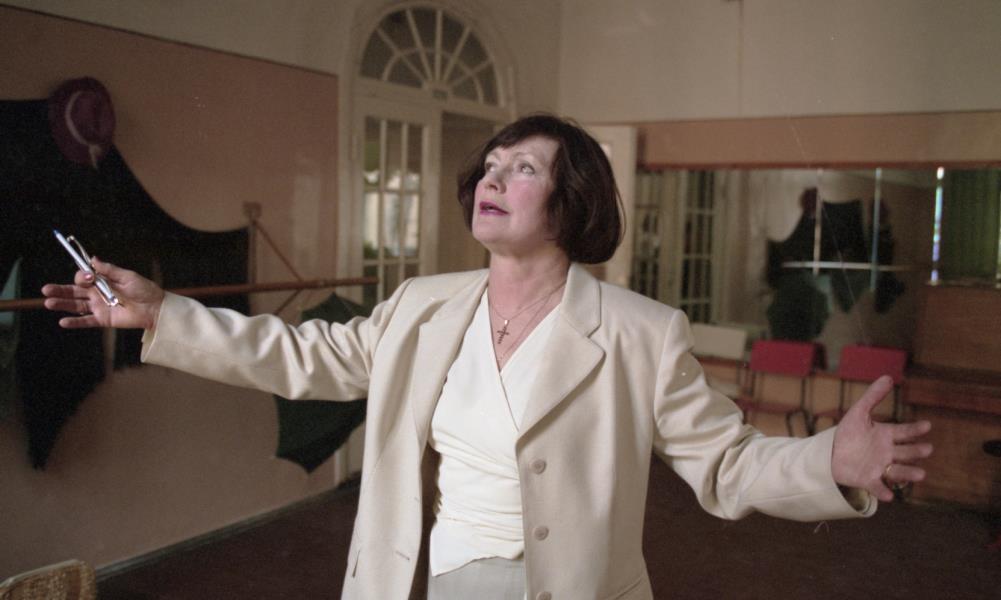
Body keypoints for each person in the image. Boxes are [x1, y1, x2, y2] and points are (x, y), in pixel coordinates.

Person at [42, 115, 932, 600]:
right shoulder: (422, 307)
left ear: (572, 202)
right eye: (491, 165)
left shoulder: (640, 331)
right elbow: (298, 356)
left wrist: (829, 461)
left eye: (523, 169)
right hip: (444, 579)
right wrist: (163, 312)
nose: (493, 179)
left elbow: (726, 464)